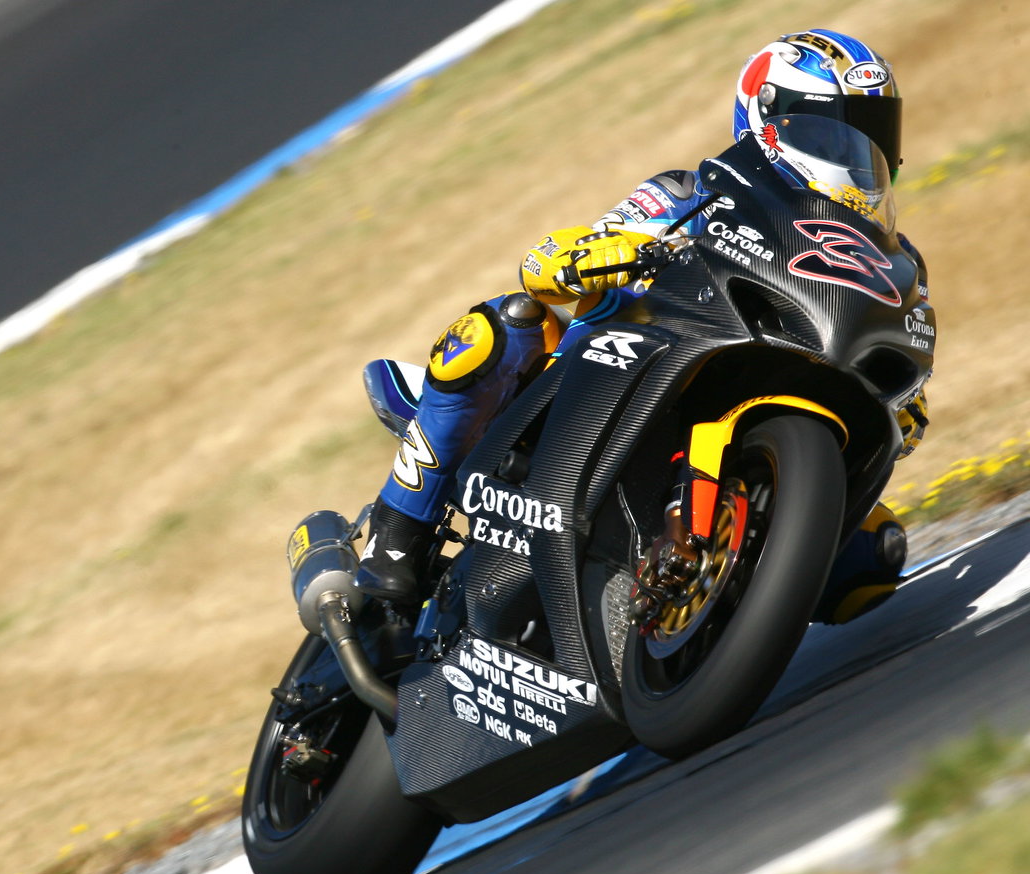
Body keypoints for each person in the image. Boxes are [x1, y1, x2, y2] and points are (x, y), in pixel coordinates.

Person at [355, 28, 927, 618]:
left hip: (753, 384)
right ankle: (397, 535)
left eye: (871, 137)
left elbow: (902, 361)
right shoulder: (690, 192)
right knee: (504, 327)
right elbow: (549, 268)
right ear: (768, 121)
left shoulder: (889, 258)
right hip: (602, 377)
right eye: (832, 132)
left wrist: (902, 402)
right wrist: (586, 256)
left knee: (872, 561)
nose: (857, 155)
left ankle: (705, 628)